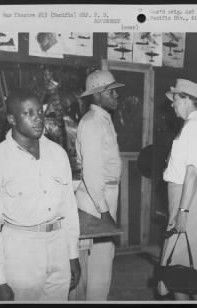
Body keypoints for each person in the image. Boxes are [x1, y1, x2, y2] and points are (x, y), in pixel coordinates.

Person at [0, 89, 81, 301]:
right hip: (20, 250)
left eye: (40, 112)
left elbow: (69, 209)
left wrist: (72, 254)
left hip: (58, 244)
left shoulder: (58, 154)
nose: (38, 119)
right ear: (12, 119)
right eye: (29, 113)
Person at [158, 79, 197, 300]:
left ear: (186, 99)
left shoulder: (195, 127)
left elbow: (193, 172)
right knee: (179, 272)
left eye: (175, 99)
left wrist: (183, 212)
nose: (172, 104)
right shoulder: (191, 126)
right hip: (185, 198)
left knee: (196, 275)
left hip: (190, 202)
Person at [75, 70, 124, 300]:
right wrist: (104, 213)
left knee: (100, 263)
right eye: (112, 92)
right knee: (99, 267)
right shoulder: (93, 123)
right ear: (97, 96)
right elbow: (92, 173)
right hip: (96, 200)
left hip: (103, 196)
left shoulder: (102, 120)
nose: (117, 96)